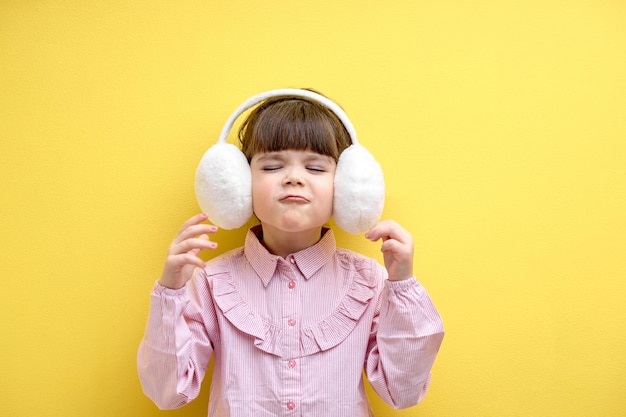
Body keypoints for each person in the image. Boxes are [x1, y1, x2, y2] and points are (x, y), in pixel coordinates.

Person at [137, 91, 445, 417]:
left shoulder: (371, 282)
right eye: (272, 166)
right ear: (239, 187)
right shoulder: (211, 283)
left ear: (347, 188)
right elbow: (167, 392)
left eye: (315, 167)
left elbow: (403, 390)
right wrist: (170, 293)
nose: (294, 178)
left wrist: (402, 287)